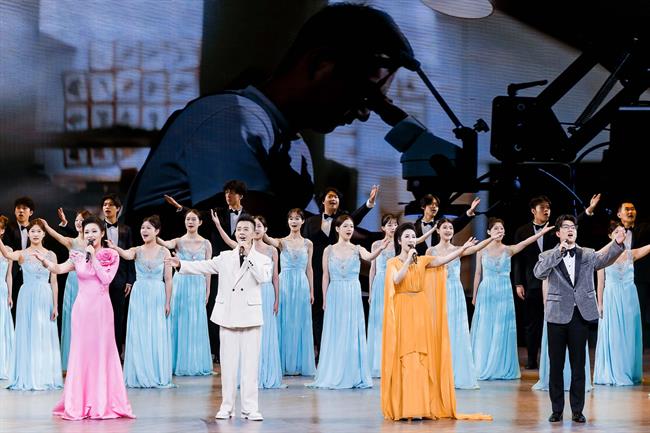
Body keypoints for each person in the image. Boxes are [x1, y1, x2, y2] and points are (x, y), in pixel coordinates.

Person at [124, 3, 418, 233]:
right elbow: (254, 225)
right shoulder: (230, 117)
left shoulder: (293, 146)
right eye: (363, 94)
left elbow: (308, 235)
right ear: (320, 65)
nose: (365, 114)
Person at [166, 215, 272, 421]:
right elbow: (204, 266)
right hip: (228, 316)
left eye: (246, 229)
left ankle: (250, 408)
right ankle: (227, 407)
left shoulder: (263, 259)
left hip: (250, 317)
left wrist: (248, 255)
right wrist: (181, 264)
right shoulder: (225, 257)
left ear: (253, 233)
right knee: (229, 365)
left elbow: (263, 277)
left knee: (250, 366)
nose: (242, 232)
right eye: (239, 229)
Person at [381, 222, 491, 421]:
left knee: (420, 357)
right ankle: (404, 407)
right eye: (407, 236)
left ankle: (421, 406)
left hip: (420, 310)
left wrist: (462, 250)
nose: (411, 240)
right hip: (403, 310)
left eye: (413, 236)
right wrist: (408, 260)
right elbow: (396, 280)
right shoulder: (392, 263)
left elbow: (442, 260)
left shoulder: (423, 260)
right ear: (399, 240)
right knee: (406, 356)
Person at [35, 216, 134, 420]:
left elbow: (106, 279)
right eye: (86, 232)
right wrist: (45, 262)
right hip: (81, 310)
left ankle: (101, 401)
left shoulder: (111, 255)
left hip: (102, 311)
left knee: (101, 352)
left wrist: (93, 256)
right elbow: (59, 269)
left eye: (94, 231)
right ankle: (79, 401)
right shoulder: (78, 256)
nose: (90, 235)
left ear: (102, 233)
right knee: (82, 353)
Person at [534, 215, 625, 423]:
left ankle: (577, 410)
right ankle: (557, 410)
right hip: (557, 315)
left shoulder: (587, 253)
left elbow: (604, 260)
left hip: (580, 315)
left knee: (579, 365)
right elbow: (539, 273)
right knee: (556, 366)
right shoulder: (547, 255)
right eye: (566, 227)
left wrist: (617, 244)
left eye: (573, 227)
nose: (570, 230)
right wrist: (558, 252)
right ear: (558, 233)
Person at [513, 194, 600, 369]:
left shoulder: (557, 229)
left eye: (548, 208)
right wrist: (518, 282)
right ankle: (532, 360)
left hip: (557, 284)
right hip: (532, 282)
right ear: (533, 211)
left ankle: (556, 363)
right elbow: (518, 258)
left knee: (556, 323)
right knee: (532, 323)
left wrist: (589, 210)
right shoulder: (522, 231)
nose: (546, 210)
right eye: (542, 208)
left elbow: (573, 224)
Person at [307, 214, 390, 389]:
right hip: (335, 292)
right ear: (337, 229)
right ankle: (334, 371)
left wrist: (380, 249)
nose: (349, 229)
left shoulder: (357, 249)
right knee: (336, 332)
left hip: (352, 293)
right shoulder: (328, 250)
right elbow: (325, 276)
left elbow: (369, 257)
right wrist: (325, 298)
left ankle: (352, 373)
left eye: (351, 226)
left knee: (351, 332)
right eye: (345, 226)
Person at [471, 218, 554, 380]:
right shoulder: (481, 249)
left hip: (504, 293)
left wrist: (541, 233)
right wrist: (474, 295)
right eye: (496, 228)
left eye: (501, 229)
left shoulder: (508, 250)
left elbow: (525, 242)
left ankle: (500, 366)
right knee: (486, 328)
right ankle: (483, 364)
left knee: (501, 329)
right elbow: (478, 273)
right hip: (487, 292)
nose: (500, 231)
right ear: (489, 232)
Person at [302, 186, 377, 356]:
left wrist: (369, 203)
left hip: (337, 273)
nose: (333, 199)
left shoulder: (342, 222)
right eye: (330, 196)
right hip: (317, 272)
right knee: (317, 311)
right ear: (323, 201)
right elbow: (304, 247)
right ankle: (322, 351)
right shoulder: (310, 222)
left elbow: (356, 217)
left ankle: (340, 351)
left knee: (339, 313)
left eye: (336, 197)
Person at [427, 218, 501, 389]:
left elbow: (475, 248)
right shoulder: (431, 250)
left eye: (450, 228)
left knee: (455, 330)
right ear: (438, 230)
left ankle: (455, 372)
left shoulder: (458, 249)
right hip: (438, 291)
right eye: (444, 227)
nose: (448, 230)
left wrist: (491, 238)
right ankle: (438, 372)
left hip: (455, 292)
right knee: (438, 330)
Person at [212, 213, 284, 388]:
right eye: (254, 226)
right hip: (248, 294)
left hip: (266, 292)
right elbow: (227, 243)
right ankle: (246, 378)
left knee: (266, 334)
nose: (256, 229)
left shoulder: (271, 250)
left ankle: (266, 374)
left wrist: (277, 299)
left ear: (263, 229)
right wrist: (218, 225)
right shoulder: (240, 248)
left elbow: (274, 277)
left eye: (258, 226)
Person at [108, 216, 174, 388]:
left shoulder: (165, 252)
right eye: (142, 227)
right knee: (140, 332)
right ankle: (139, 373)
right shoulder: (136, 250)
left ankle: (156, 373)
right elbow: (126, 254)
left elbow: (168, 279)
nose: (144, 231)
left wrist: (168, 302)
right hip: (140, 294)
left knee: (156, 332)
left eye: (148, 228)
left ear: (157, 231)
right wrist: (115, 248)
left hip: (157, 294)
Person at [0, 219, 62, 390]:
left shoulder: (51, 255)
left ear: (44, 234)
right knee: (27, 332)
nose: (35, 234)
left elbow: (54, 281)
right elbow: (7, 255)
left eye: (38, 231)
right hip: (26, 296)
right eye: (32, 231)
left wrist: (56, 305)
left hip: (45, 296)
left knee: (43, 333)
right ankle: (27, 374)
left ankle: (43, 375)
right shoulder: (22, 254)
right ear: (28, 233)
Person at [156, 209, 213, 376]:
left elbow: (208, 269)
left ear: (200, 222)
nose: (190, 222)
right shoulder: (178, 241)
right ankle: (177, 362)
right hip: (180, 284)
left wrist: (208, 289)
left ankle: (195, 362)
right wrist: (153, 232)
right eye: (188, 219)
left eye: (194, 219)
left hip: (197, 284)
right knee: (179, 320)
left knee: (195, 321)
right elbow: (165, 244)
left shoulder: (206, 243)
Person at [593, 221, 649, 385]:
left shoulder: (631, 254)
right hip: (612, 298)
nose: (621, 233)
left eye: (623, 231)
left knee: (629, 334)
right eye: (617, 231)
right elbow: (600, 284)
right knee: (614, 336)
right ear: (610, 235)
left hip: (630, 299)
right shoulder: (603, 255)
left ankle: (629, 370)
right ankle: (615, 372)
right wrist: (600, 304)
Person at [263, 208, 316, 376]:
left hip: (301, 284)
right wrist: (260, 229)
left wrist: (312, 290)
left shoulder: (308, 244)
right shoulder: (282, 242)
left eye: (297, 218)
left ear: (303, 221)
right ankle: (283, 363)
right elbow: (268, 239)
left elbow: (309, 268)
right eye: (291, 218)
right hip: (285, 284)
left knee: (300, 321)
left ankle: (299, 363)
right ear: (288, 222)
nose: (294, 221)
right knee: (284, 321)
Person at [40, 210, 91, 371]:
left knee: (87, 321)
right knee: (71, 320)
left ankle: (87, 363)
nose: (78, 223)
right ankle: (69, 364)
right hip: (72, 282)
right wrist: (46, 226)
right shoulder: (71, 242)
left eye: (82, 220)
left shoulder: (95, 243)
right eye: (76, 220)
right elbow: (56, 236)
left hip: (88, 284)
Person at [533, 280, 592, 393]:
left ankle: (577, 402)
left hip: (578, 309)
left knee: (578, 359)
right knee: (556, 361)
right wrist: (546, 305)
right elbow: (544, 278)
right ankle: (556, 401)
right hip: (555, 310)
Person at [101, 194, 135, 357]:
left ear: (118, 209)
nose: (107, 207)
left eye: (110, 205)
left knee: (118, 316)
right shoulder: (97, 228)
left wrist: (129, 280)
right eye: (104, 205)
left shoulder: (126, 229)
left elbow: (130, 256)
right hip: (100, 279)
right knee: (101, 316)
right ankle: (102, 351)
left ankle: (116, 352)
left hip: (120, 279)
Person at [366, 214, 398, 378]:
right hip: (379, 285)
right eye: (389, 225)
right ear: (383, 228)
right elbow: (373, 269)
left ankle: (392, 362)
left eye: (395, 224)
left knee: (393, 322)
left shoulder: (400, 244)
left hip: (395, 284)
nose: (393, 227)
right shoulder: (376, 244)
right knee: (379, 322)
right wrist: (371, 292)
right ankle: (377, 363)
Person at [616, 201, 650, 348]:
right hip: (619, 280)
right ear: (619, 214)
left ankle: (636, 349)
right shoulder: (613, 231)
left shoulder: (645, 228)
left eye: (633, 209)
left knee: (639, 314)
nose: (630, 212)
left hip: (640, 279)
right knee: (623, 315)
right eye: (627, 209)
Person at [413, 194, 480, 255]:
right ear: (423, 206)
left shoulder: (441, 225)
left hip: (441, 261)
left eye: (436, 205)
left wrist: (470, 211)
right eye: (431, 204)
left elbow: (457, 224)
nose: (434, 206)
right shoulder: (414, 227)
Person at [3, 197, 36, 318]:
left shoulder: (36, 230)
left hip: (30, 273)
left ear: (30, 212)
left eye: (24, 208)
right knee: (11, 306)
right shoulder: (7, 228)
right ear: (14, 211)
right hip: (12, 272)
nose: (21, 211)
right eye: (18, 208)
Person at [0, 216, 14, 380]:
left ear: (2, 230)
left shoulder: (9, 250)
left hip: (2, 290)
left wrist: (10, 294)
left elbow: (9, 275)